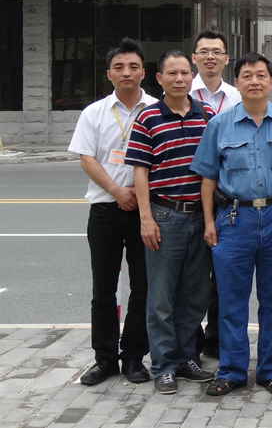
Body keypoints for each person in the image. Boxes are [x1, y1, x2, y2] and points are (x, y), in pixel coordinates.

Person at [190, 52, 272, 396]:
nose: (254, 81)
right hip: (233, 218)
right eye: (247, 75)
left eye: (260, 75)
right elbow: (208, 177)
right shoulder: (219, 124)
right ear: (237, 82)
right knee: (231, 300)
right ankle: (232, 370)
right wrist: (209, 221)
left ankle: (270, 369)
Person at [125, 51, 217, 394]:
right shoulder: (148, 117)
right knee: (161, 298)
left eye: (185, 73)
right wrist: (146, 219)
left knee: (194, 296)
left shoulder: (206, 115)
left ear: (192, 77)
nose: (179, 79)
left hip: (200, 215)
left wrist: (211, 218)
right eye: (172, 73)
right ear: (159, 78)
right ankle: (163, 365)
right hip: (164, 215)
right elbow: (140, 171)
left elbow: (213, 168)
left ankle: (185, 357)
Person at [69, 38, 157, 386]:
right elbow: (87, 159)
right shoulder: (94, 113)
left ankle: (134, 357)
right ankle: (104, 358)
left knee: (143, 287)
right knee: (103, 289)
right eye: (119, 67)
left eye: (133, 66)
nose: (126, 72)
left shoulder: (156, 109)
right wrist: (118, 191)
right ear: (109, 74)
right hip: (105, 210)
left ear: (144, 72)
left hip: (144, 211)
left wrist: (139, 197)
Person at [189, 29, 242, 360]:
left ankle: (217, 338)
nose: (210, 57)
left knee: (224, 274)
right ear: (194, 57)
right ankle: (190, 341)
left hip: (224, 198)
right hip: (184, 195)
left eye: (217, 52)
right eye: (204, 51)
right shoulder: (179, 91)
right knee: (191, 275)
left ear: (226, 58)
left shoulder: (237, 97)